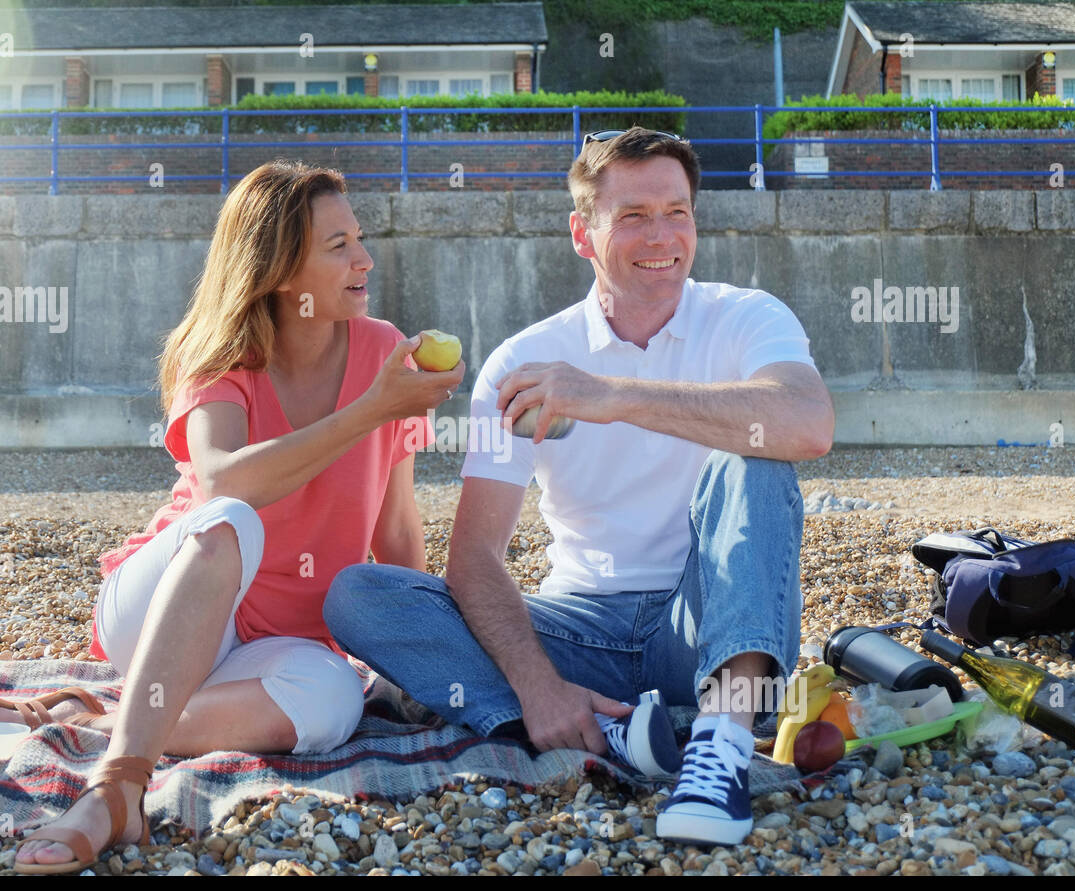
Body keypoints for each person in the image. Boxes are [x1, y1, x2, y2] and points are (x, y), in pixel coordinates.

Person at [0, 160, 463, 873]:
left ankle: (94, 718)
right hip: (167, 601)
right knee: (234, 519)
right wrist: (371, 409)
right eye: (337, 245)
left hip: (270, 645)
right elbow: (222, 479)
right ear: (277, 269)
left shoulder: (380, 350)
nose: (364, 258)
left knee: (334, 700)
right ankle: (118, 788)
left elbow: (395, 530)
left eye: (359, 238)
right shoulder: (224, 357)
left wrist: (411, 661)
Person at [324, 127, 834, 847]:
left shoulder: (748, 316)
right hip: (577, 630)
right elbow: (474, 556)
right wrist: (538, 681)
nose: (661, 235)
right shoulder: (523, 361)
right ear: (582, 233)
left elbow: (809, 425)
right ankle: (588, 727)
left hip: (709, 620)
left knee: (753, 454)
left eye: (677, 212)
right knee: (359, 594)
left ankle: (718, 749)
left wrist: (612, 394)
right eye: (632, 216)